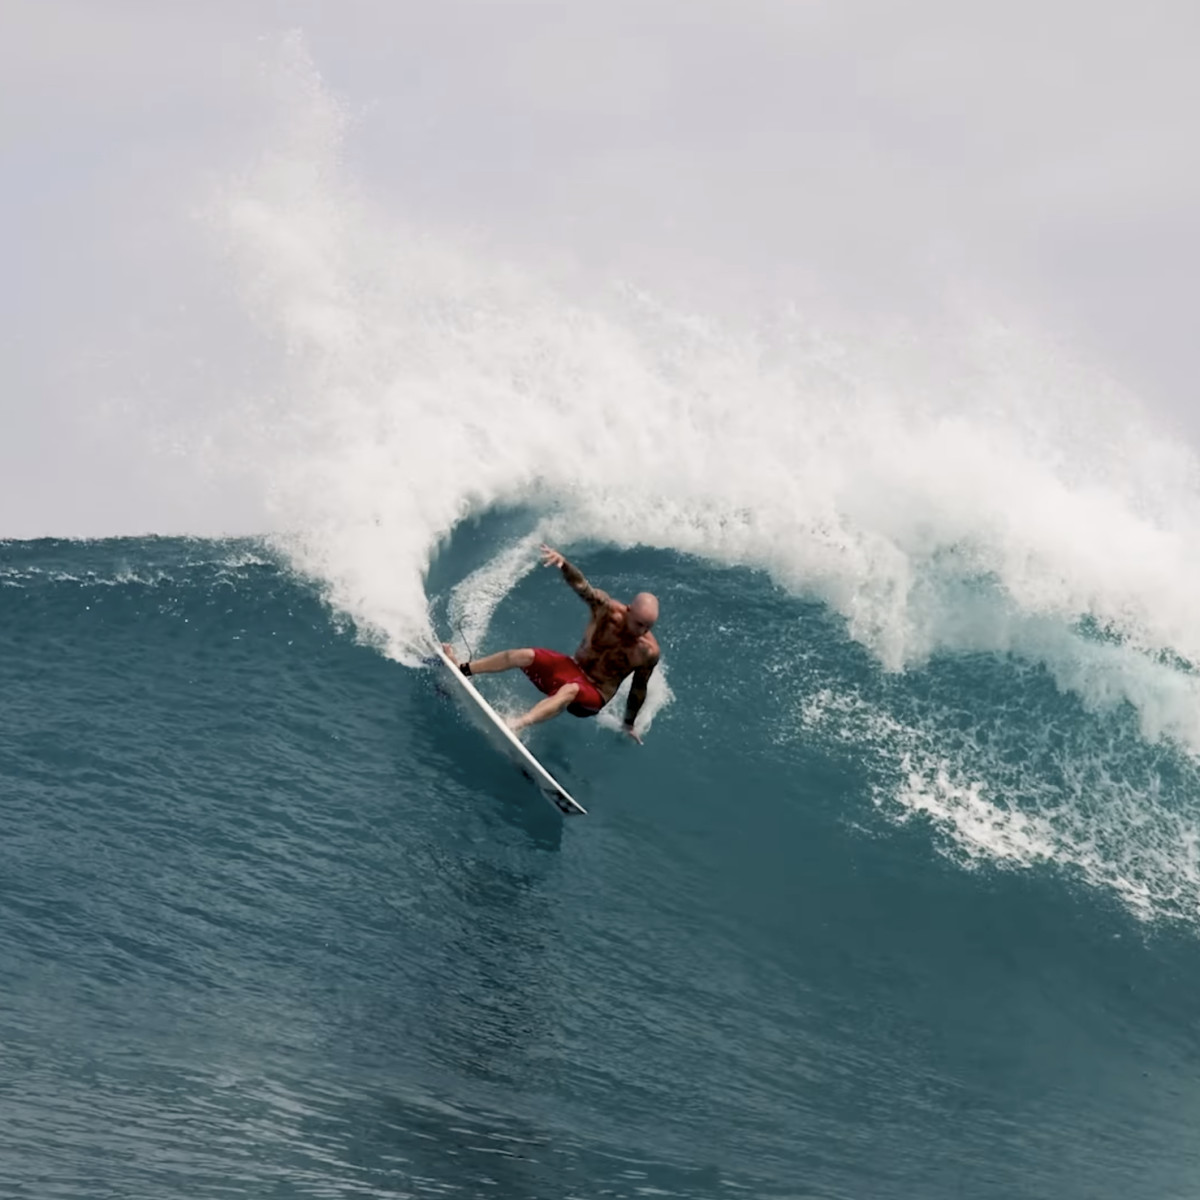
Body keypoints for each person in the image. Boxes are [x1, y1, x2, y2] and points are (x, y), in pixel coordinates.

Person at [444, 544, 660, 742]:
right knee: (523, 655)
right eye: (639, 624)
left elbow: (638, 688)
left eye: (648, 627)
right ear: (628, 610)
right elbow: (582, 586)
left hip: (594, 695)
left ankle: (516, 725)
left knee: (570, 689)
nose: (642, 631)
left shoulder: (647, 652)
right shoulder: (605, 609)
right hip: (572, 669)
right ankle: (463, 669)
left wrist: (628, 724)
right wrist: (564, 564)